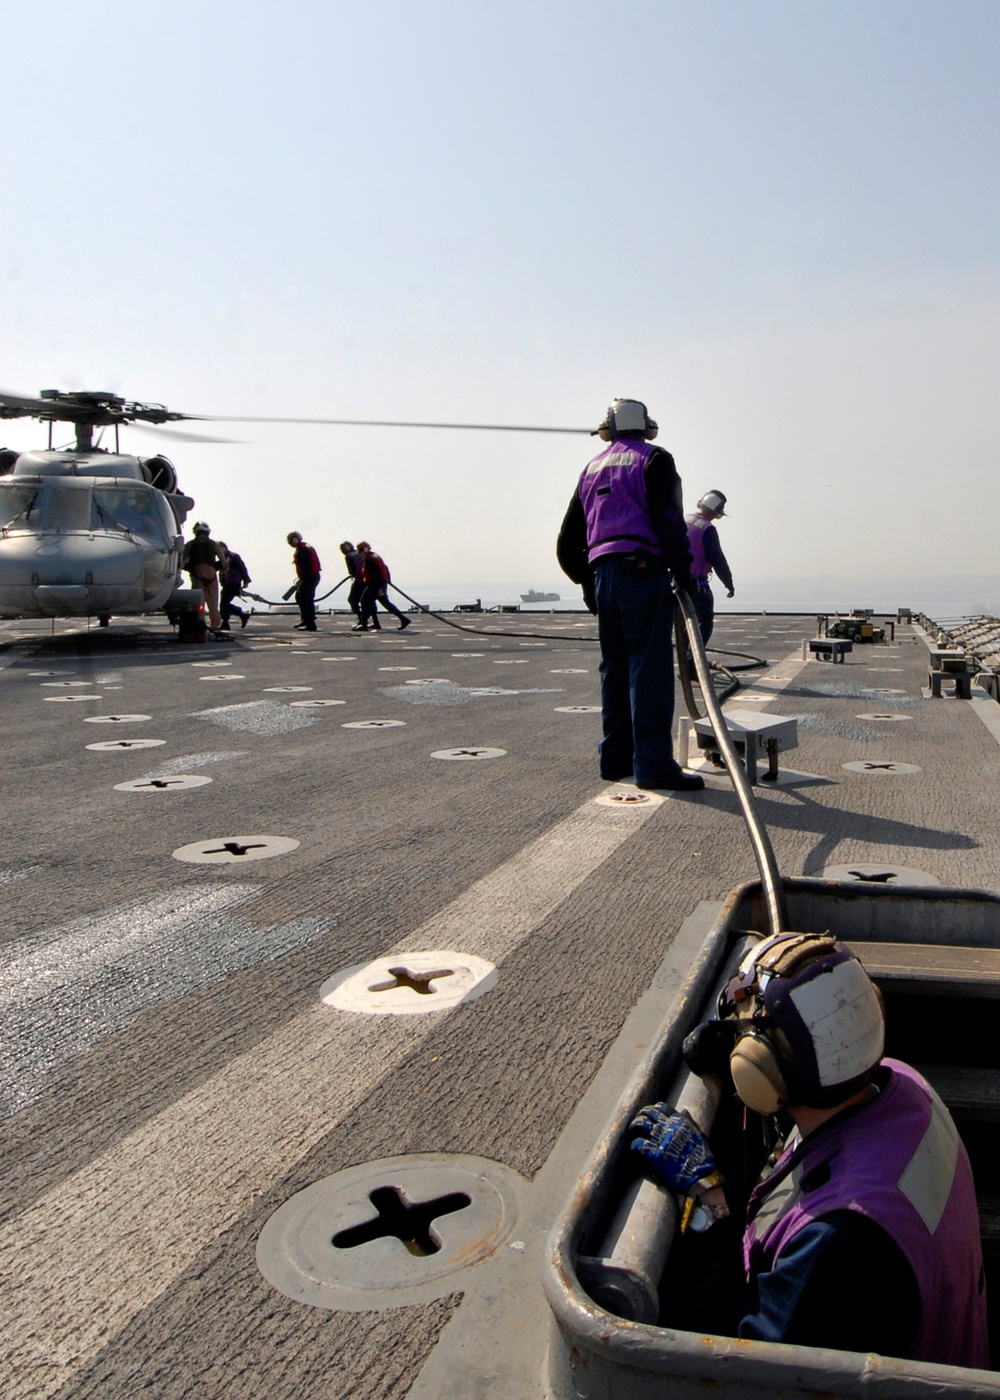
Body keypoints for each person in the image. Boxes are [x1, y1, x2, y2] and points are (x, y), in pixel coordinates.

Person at [629, 932, 988, 1366]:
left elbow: (743, 1370)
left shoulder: (838, 1240)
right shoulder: (905, 1085)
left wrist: (710, 1202)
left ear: (760, 1068)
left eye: (743, 1040)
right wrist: (729, 1044)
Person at [556, 397, 703, 791]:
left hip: (604, 575)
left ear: (609, 428)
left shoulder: (590, 469)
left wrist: (589, 584)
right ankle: (654, 766)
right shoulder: (655, 459)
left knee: (614, 669)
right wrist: (685, 575)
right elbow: (670, 522)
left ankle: (615, 759)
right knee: (649, 668)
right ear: (646, 426)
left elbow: (567, 545)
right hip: (642, 571)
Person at [686, 490, 734, 651]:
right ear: (717, 511)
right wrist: (729, 584)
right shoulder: (707, 529)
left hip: (672, 581)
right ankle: (693, 662)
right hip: (696, 585)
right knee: (703, 622)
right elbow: (718, 560)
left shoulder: (683, 520)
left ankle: (686, 661)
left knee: (684, 624)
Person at [182, 522, 227, 633]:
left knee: (199, 604)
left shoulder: (190, 544)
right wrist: (222, 571)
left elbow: (181, 561)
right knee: (213, 603)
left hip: (197, 576)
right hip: (211, 576)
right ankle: (214, 626)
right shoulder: (214, 544)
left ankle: (200, 624)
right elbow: (224, 563)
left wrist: (187, 567)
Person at [356, 542, 410, 632]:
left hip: (375, 584)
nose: (360, 553)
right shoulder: (374, 556)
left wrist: (380, 588)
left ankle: (364, 625)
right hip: (380, 583)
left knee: (364, 601)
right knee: (383, 603)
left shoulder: (369, 559)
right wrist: (385, 582)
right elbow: (385, 568)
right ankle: (402, 619)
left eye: (360, 551)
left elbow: (376, 574)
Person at [287, 531, 321, 631]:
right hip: (312, 576)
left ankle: (310, 624)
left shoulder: (302, 550)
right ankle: (305, 620)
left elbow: (307, 566)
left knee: (306, 599)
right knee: (300, 598)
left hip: (309, 577)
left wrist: (302, 579)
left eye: (291, 541)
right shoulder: (305, 547)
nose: (290, 543)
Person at [217, 543, 251, 631]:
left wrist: (246, 580)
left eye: (220, 549)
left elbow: (242, 568)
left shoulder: (233, 557)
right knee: (224, 603)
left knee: (224, 603)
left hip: (233, 583)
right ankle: (227, 622)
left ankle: (240, 614)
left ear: (224, 548)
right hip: (228, 583)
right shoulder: (222, 559)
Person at [340, 541, 365, 624]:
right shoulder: (359, 553)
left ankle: (361, 618)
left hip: (359, 580)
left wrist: (353, 575)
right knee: (366, 601)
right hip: (368, 580)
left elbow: (351, 570)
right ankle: (374, 621)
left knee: (352, 600)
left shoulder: (349, 556)